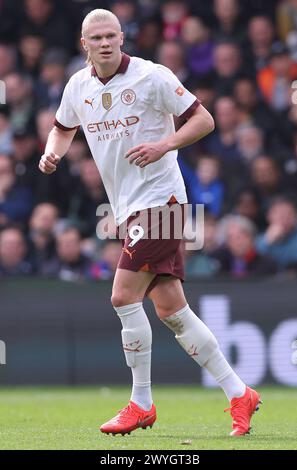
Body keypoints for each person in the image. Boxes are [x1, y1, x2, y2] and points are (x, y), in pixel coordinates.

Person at [38, 8, 261, 437]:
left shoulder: (150, 75)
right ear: (84, 44)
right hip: (127, 208)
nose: (104, 43)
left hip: (161, 200)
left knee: (123, 296)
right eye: (96, 38)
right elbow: (62, 128)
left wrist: (165, 144)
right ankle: (239, 393)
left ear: (122, 37)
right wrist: (53, 152)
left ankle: (141, 402)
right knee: (171, 310)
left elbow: (204, 119)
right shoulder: (77, 86)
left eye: (111, 35)